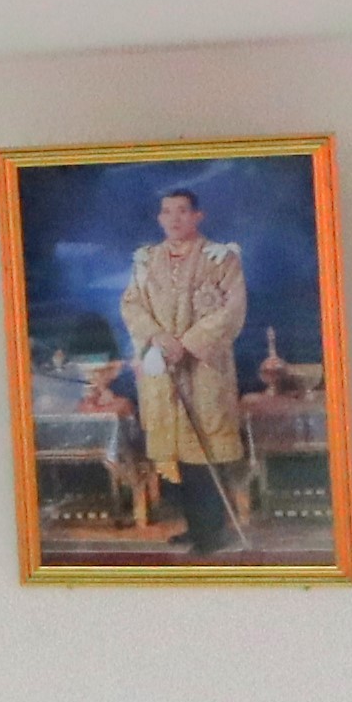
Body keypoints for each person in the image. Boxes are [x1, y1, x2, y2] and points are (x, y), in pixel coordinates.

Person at [122, 184, 253, 553]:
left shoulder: (221, 258)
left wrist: (188, 343)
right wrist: (158, 337)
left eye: (182, 211)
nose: (174, 218)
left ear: (198, 216)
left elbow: (232, 310)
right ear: (159, 218)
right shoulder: (146, 261)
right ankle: (195, 527)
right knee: (177, 454)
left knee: (204, 449)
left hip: (204, 369)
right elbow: (131, 305)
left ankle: (212, 532)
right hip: (162, 366)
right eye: (167, 212)